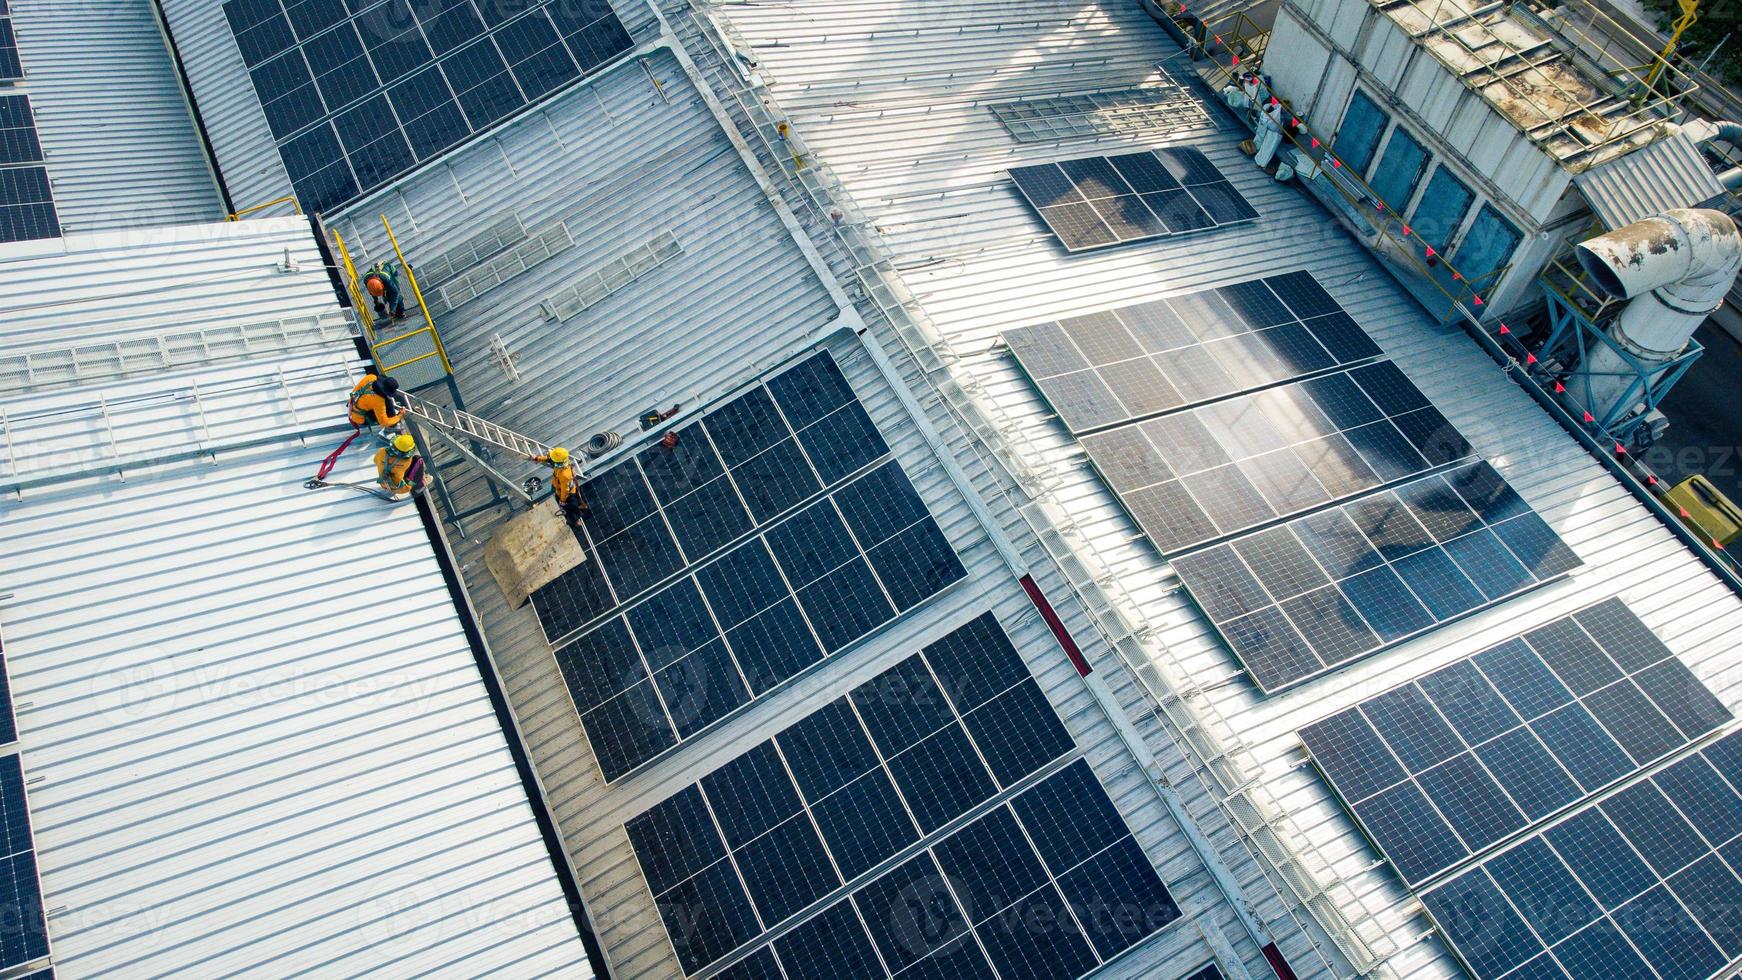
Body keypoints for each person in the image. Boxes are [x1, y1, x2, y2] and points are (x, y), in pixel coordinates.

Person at [530, 446, 587, 524]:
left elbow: (565, 490)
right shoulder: (559, 458)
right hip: (558, 486)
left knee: (569, 506)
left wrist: (562, 500)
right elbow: (549, 458)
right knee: (569, 504)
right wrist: (537, 458)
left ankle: (576, 518)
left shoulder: (565, 475)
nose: (552, 460)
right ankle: (577, 512)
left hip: (566, 494)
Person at [375, 433, 424, 498]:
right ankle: (418, 486)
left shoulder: (381, 451)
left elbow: (375, 461)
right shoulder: (407, 461)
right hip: (402, 488)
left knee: (396, 470)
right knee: (418, 459)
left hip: (384, 483)